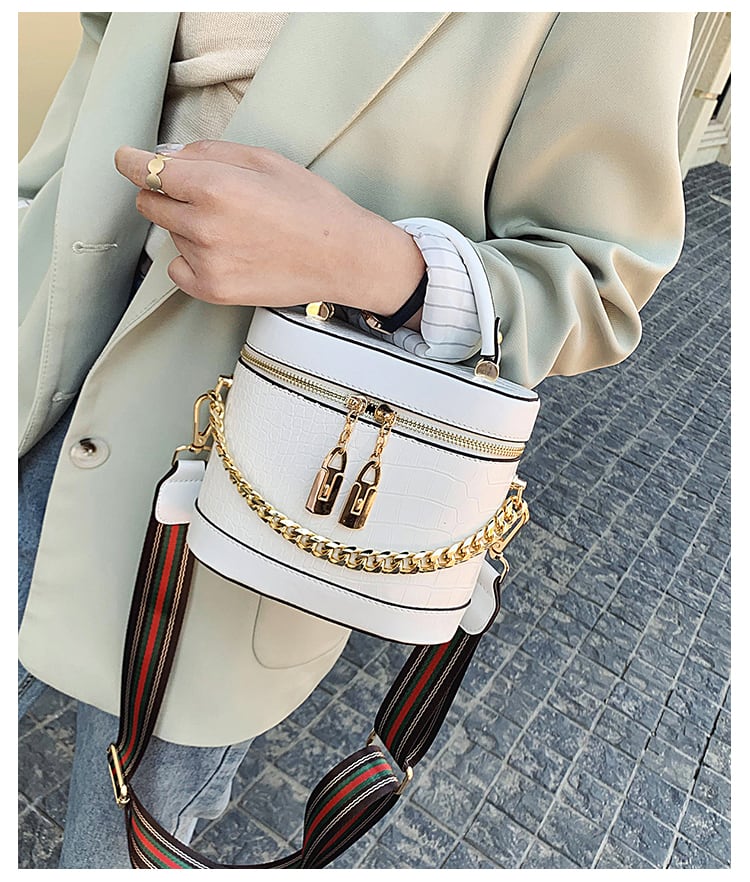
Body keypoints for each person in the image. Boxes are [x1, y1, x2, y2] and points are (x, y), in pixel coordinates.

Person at [18, 11, 695, 869]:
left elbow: (598, 284)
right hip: (45, 352)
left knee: (117, 840)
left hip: (259, 473)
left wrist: (370, 262)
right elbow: (108, 49)